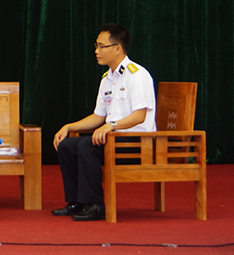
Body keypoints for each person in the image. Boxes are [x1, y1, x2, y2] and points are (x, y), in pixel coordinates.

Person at [51, 23, 156, 222]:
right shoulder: (107, 78)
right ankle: (77, 202)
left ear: (117, 48)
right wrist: (69, 126)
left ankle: (95, 205)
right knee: (67, 145)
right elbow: (98, 116)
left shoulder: (137, 75)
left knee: (87, 145)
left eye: (101, 46)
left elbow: (139, 116)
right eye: (96, 46)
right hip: (113, 138)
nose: (96, 51)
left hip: (137, 142)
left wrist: (111, 125)